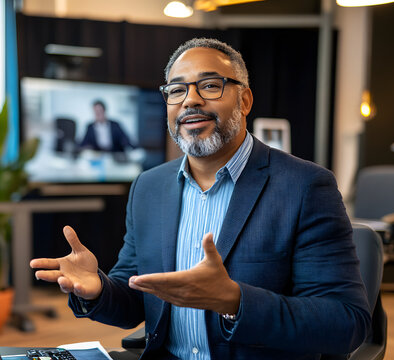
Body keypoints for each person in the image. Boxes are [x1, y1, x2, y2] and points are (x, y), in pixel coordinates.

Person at [30, 38, 370, 359]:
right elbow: (136, 298)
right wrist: (100, 289)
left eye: (209, 85)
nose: (190, 100)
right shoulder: (149, 187)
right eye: (177, 90)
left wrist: (237, 301)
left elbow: (345, 323)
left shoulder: (305, 186)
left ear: (245, 100)